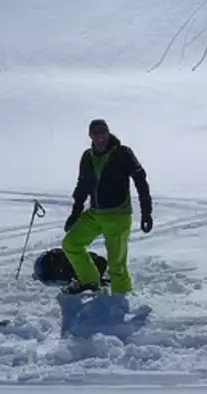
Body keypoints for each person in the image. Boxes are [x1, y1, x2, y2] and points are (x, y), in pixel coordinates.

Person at [61, 118, 153, 295]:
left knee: (116, 264)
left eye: (103, 132)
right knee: (71, 244)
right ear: (90, 136)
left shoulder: (122, 153)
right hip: (95, 214)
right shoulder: (87, 157)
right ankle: (89, 281)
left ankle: (121, 297)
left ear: (108, 132)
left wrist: (146, 212)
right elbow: (82, 186)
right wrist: (75, 214)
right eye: (96, 133)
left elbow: (140, 180)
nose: (100, 136)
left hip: (118, 215)